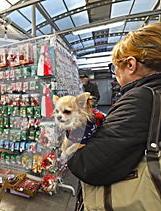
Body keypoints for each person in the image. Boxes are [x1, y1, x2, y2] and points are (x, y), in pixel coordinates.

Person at [68, 22, 161, 209]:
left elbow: (86, 165)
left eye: (114, 67)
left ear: (131, 65)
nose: (115, 74)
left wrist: (74, 132)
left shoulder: (143, 98)